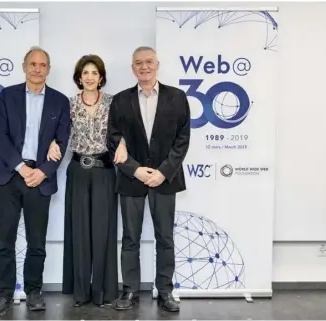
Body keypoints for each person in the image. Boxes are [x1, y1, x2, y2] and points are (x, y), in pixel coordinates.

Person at [0, 46, 71, 316]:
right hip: (12, 176)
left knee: (37, 241)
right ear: (24, 67)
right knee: (6, 239)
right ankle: (4, 295)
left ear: (48, 69)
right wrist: (22, 168)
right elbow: (0, 136)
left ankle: (33, 291)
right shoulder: (8, 95)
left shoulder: (59, 101)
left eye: (42, 65)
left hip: (40, 178)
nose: (37, 69)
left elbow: (63, 141)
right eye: (32, 64)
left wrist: (43, 171)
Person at [106, 46, 191, 312]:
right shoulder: (120, 100)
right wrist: (135, 169)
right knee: (130, 237)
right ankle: (129, 290)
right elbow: (113, 140)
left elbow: (183, 139)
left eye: (149, 62)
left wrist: (164, 171)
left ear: (157, 65)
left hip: (166, 179)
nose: (144, 67)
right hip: (133, 179)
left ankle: (165, 290)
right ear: (132, 68)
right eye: (139, 63)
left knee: (164, 237)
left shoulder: (177, 97)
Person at [46, 54, 128, 307]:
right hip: (78, 171)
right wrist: (51, 141)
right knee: (79, 231)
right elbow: (57, 131)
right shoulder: (69, 104)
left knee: (103, 231)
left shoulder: (114, 103)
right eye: (85, 73)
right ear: (79, 78)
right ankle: (80, 292)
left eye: (94, 72)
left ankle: (103, 291)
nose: (90, 77)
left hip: (104, 170)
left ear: (101, 77)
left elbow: (124, 131)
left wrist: (123, 143)